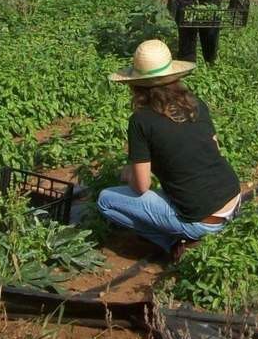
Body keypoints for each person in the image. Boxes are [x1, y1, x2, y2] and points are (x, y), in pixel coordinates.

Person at [97, 39, 241, 262]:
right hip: (233, 199)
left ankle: (174, 245)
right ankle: (192, 235)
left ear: (136, 85)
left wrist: (128, 173)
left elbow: (142, 186)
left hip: (201, 220)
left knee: (105, 200)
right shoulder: (195, 103)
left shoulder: (141, 120)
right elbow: (214, 147)